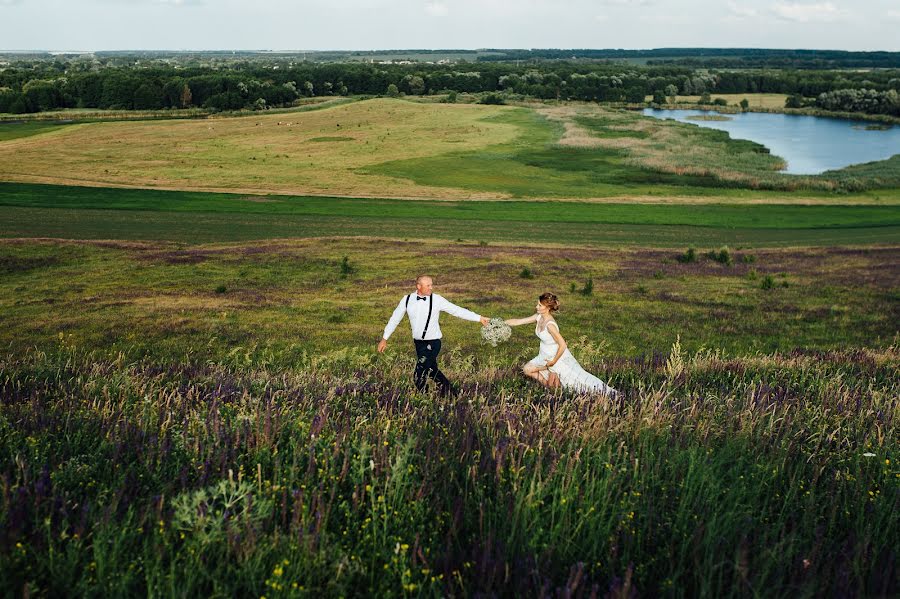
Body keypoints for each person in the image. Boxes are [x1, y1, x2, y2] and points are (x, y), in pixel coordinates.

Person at [378, 275, 489, 396]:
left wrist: (479, 318)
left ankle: (425, 399)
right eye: (428, 285)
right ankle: (452, 395)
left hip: (433, 342)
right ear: (418, 286)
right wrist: (385, 338)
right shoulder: (407, 299)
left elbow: (456, 310)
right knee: (431, 371)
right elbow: (395, 318)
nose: (431, 288)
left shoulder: (437, 299)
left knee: (418, 374)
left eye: (432, 285)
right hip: (419, 344)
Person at [505, 293, 618, 396]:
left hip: (555, 357)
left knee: (579, 381)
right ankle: (551, 389)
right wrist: (494, 322)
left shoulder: (550, 325)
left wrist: (553, 361)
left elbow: (563, 345)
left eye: (540, 305)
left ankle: (557, 393)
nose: (537, 307)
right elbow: (517, 321)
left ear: (548, 308)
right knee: (527, 370)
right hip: (544, 355)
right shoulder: (539, 317)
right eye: (537, 304)